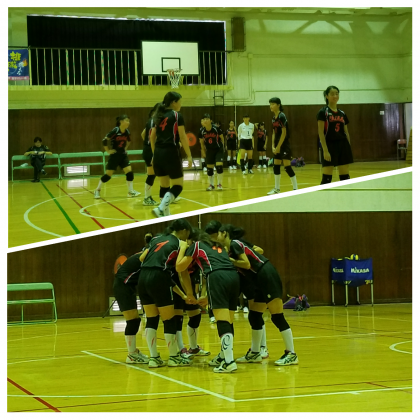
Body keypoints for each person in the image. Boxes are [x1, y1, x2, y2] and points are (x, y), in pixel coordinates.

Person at [218, 224, 297, 366]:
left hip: (266, 275)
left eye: (217, 233)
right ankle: (255, 352)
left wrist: (229, 260)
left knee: (277, 317)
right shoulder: (231, 247)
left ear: (224, 233)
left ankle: (291, 354)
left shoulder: (235, 244)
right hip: (258, 280)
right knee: (254, 316)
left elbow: (246, 264)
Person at [177, 230, 240, 373]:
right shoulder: (218, 245)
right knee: (228, 320)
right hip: (233, 276)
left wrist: (182, 248)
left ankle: (229, 362)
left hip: (217, 276)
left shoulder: (196, 245)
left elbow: (179, 267)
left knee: (222, 321)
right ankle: (224, 356)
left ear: (192, 240)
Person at [138, 218, 195, 368]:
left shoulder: (156, 239)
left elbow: (141, 258)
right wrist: (189, 292)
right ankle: (173, 357)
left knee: (151, 319)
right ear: (184, 230)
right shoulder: (181, 243)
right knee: (169, 320)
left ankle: (154, 358)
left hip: (143, 277)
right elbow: (180, 268)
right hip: (159, 276)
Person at [112, 233, 155, 364]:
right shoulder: (145, 257)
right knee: (132, 321)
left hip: (127, 287)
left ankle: (133, 352)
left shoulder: (142, 255)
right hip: (122, 286)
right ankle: (131, 354)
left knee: (135, 320)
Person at [150, 92, 193, 218]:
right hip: (171, 152)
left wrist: (154, 154)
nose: (181, 104)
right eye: (180, 101)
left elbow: (152, 137)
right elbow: (183, 137)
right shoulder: (176, 115)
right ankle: (160, 209)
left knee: (164, 186)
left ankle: (166, 215)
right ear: (174, 102)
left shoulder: (158, 116)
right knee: (178, 186)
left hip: (158, 153)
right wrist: (189, 156)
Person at [94, 115, 141, 199]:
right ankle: (97, 190)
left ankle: (130, 192)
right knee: (108, 176)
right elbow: (104, 140)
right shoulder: (115, 130)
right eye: (127, 120)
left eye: (129, 121)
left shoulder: (127, 131)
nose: (128, 122)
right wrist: (108, 151)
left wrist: (125, 149)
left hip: (123, 155)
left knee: (129, 173)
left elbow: (129, 141)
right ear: (121, 121)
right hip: (114, 156)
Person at [317, 86, 353, 184]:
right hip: (329, 145)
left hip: (343, 144)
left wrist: (348, 147)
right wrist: (325, 150)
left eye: (337, 93)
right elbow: (320, 132)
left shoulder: (342, 113)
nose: (335, 96)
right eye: (332, 94)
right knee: (326, 179)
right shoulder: (323, 112)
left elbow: (346, 132)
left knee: (345, 178)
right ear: (327, 96)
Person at [267, 98, 298, 195]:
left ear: (278, 105)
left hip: (284, 145)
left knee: (287, 167)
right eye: (270, 104)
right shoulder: (273, 118)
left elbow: (284, 133)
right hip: (277, 144)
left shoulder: (282, 116)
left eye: (273, 104)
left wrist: (278, 147)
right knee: (276, 166)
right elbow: (273, 133)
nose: (271, 106)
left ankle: (295, 188)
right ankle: (277, 188)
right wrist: (273, 146)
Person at [140, 104, 160, 206]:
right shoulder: (154, 121)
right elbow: (152, 136)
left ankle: (168, 195)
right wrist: (150, 146)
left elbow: (143, 134)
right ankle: (147, 198)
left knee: (156, 173)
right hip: (150, 151)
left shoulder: (150, 120)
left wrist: (146, 143)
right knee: (151, 175)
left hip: (148, 149)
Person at [199, 114, 225, 191]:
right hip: (209, 150)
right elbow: (202, 143)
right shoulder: (201, 131)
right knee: (209, 169)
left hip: (218, 149)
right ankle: (211, 185)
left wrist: (223, 148)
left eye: (207, 119)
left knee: (219, 166)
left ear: (211, 121)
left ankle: (219, 184)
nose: (205, 121)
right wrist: (203, 152)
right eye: (204, 119)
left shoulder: (216, 129)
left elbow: (222, 138)